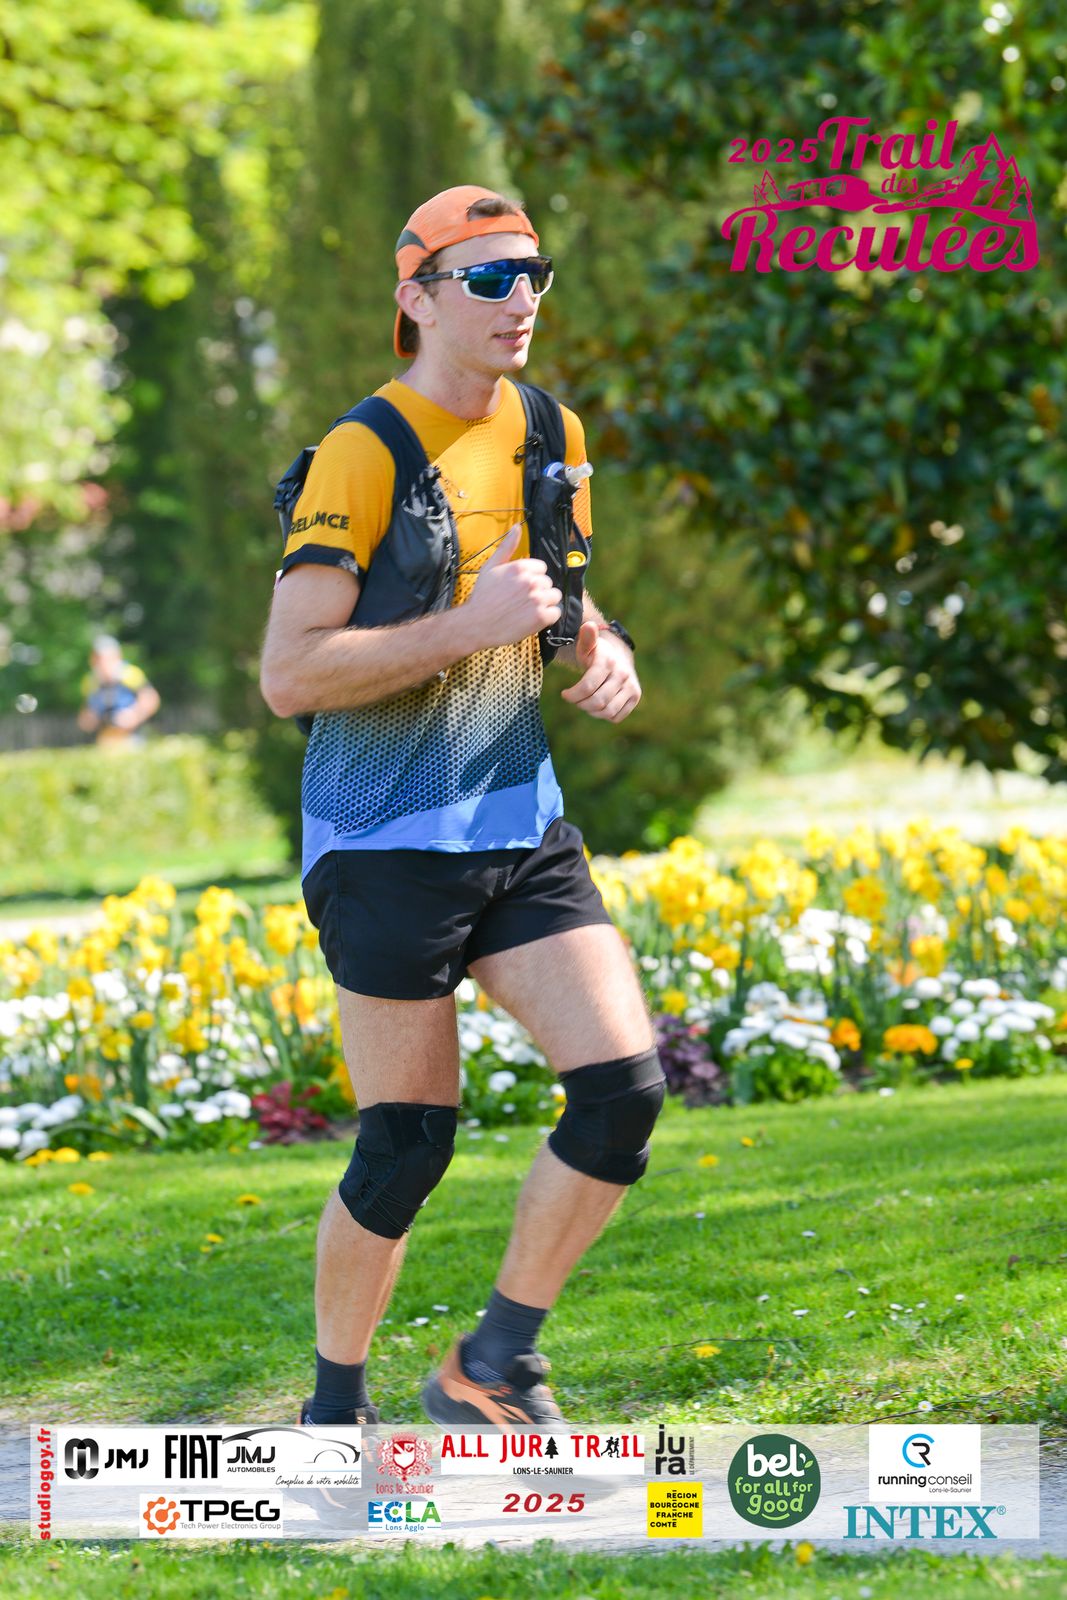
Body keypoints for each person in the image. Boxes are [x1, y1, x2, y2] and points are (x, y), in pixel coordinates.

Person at [259, 184, 665, 1430]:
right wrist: (466, 627)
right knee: (406, 1144)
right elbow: (289, 674)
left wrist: (601, 644)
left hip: (518, 826)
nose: (518, 299)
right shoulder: (363, 451)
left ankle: (490, 1362)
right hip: (383, 843)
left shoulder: (549, 428)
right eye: (487, 278)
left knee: (622, 1091)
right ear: (417, 298)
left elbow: (557, 597)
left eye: (531, 273)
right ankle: (335, 1412)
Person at [77, 635, 160, 747]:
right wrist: (89, 720)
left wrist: (134, 715)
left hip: (132, 736)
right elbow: (86, 713)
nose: (102, 663)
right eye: (98, 659)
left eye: (105, 658)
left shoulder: (129, 674)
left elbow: (151, 699)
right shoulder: (91, 682)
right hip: (105, 737)